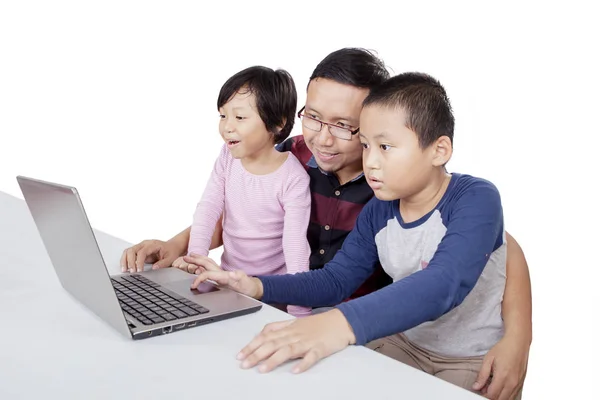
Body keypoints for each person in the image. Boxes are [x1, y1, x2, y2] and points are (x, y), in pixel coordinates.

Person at [121, 48, 532, 399]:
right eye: (313, 117)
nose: (323, 138)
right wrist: (198, 254)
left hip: (369, 323)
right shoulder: (292, 159)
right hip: (320, 320)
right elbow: (244, 212)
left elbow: (488, 254)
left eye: (346, 127)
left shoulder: (407, 185)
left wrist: (519, 336)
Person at [171, 65, 312, 317]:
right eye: (222, 116)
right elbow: (208, 207)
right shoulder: (228, 157)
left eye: (239, 117)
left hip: (272, 296)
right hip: (228, 287)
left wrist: (298, 314)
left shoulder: (292, 178)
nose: (227, 127)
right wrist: (195, 259)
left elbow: (296, 248)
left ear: (277, 123)